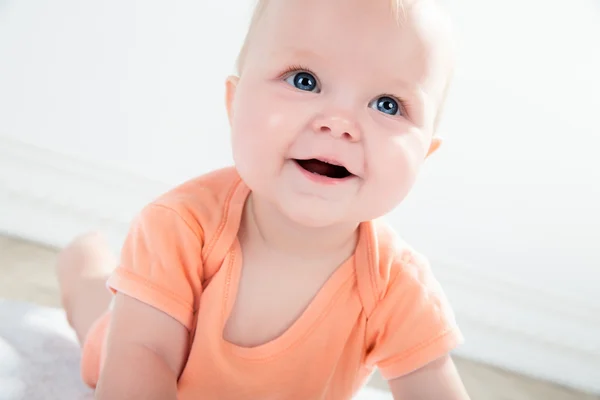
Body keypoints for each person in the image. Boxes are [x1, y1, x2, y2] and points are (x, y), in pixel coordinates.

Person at [56, 0, 470, 398]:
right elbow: (145, 354)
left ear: (424, 155)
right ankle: (83, 260)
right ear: (234, 103)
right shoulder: (182, 226)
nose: (339, 124)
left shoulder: (396, 285)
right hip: (137, 340)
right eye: (304, 80)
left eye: (388, 104)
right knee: (96, 316)